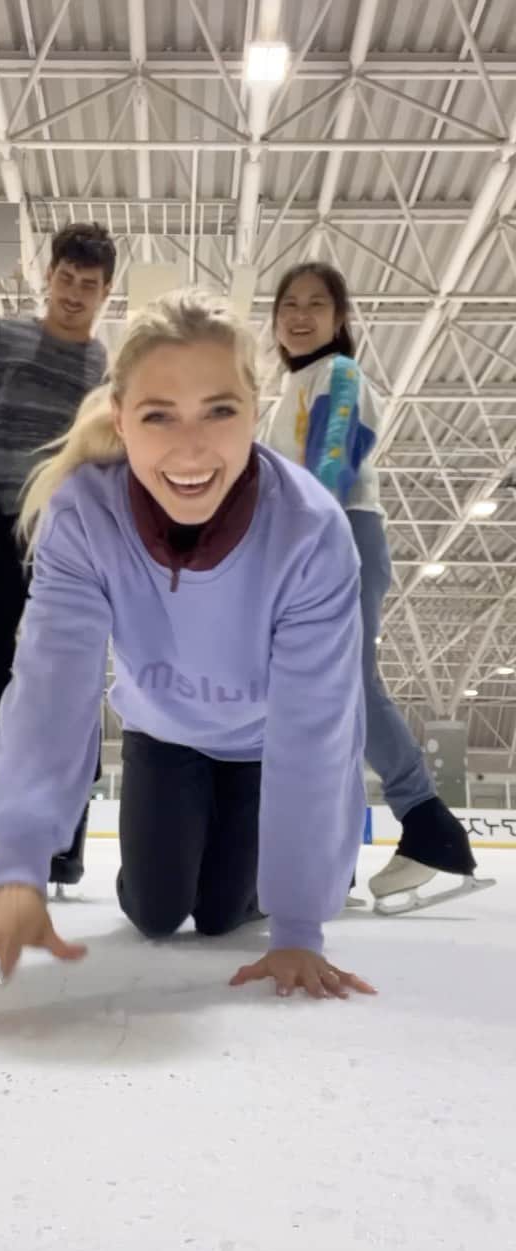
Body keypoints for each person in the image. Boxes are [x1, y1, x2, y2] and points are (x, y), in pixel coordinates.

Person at [0, 289, 377, 1003]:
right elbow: (50, 691)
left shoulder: (311, 532)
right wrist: (19, 868)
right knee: (155, 913)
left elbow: (319, 732)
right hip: (163, 734)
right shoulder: (84, 513)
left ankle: (270, 878)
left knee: (222, 914)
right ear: (120, 419)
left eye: (219, 411)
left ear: (254, 410)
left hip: (262, 746)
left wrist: (297, 926)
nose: (190, 447)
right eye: (159, 415)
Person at [265, 262, 493, 912]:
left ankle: (427, 822)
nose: (300, 315)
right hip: (313, 540)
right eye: (289, 304)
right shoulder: (293, 386)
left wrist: (301, 549)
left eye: (316, 304)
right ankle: (332, 856)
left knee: (349, 687)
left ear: (340, 319)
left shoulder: (338, 374)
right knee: (324, 702)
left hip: (336, 535)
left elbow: (331, 466)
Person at [0, 221, 116, 899]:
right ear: (49, 275)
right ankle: (3, 826)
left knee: (63, 686)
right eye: (66, 278)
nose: (74, 293)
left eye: (89, 285)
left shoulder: (106, 373)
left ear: (105, 293)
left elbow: (105, 463)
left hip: (65, 541)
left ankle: (66, 835)